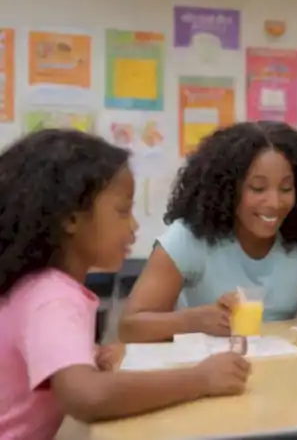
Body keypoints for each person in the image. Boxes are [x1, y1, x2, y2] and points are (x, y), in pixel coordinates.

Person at [0, 130, 250, 439]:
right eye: (122, 211)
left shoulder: (32, 285)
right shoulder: (53, 297)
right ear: (70, 218)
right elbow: (88, 397)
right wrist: (201, 378)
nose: (133, 226)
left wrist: (86, 356)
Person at [118, 122, 297, 343]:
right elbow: (129, 327)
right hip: (205, 371)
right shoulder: (187, 238)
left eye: (286, 188)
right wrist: (194, 321)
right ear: (228, 188)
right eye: (258, 188)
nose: (274, 202)